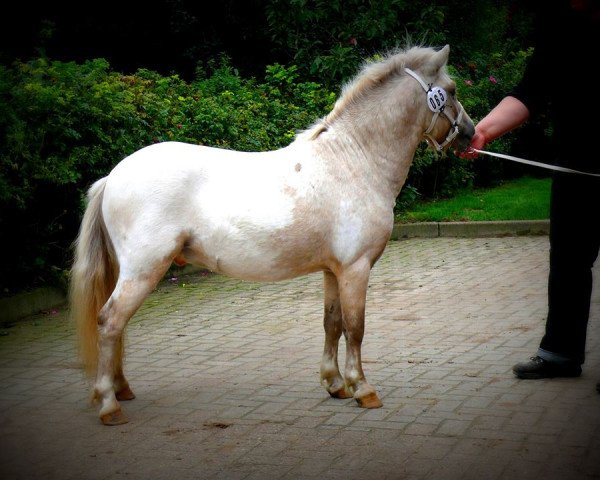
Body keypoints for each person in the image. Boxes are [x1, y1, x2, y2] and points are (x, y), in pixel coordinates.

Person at [461, 0, 600, 388]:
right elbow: (529, 92)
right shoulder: (560, 27)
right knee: (569, 261)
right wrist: (484, 130)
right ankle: (560, 353)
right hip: (574, 167)